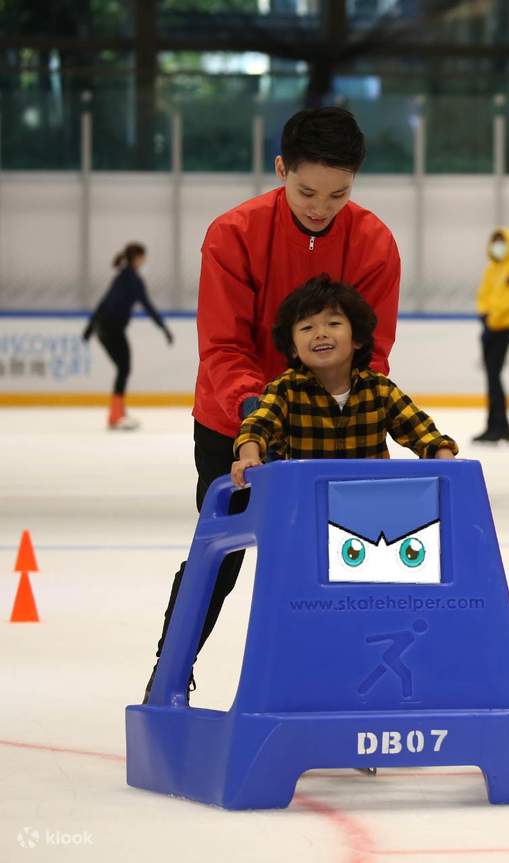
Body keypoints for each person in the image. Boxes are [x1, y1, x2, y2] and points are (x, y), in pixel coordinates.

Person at [144, 106, 401, 703]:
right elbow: (224, 346)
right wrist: (260, 415)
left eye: (338, 194)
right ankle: (168, 673)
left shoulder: (374, 244)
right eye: (307, 190)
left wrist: (342, 409)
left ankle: (353, 691)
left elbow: (373, 351)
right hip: (233, 423)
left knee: (350, 564)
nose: (320, 206)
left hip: (336, 432)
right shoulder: (234, 234)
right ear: (281, 167)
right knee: (221, 559)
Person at [231, 276, 456, 488]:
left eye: (333, 323)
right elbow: (257, 426)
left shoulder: (379, 390)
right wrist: (249, 458)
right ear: (292, 347)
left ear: (356, 338)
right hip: (306, 506)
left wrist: (443, 457)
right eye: (307, 327)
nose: (320, 333)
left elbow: (422, 432)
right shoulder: (285, 390)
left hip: (372, 507)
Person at [82, 242, 173, 431]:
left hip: (105, 327)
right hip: (111, 328)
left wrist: (91, 326)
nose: (144, 261)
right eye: (143, 257)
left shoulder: (122, 277)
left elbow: (104, 301)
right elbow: (147, 306)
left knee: (123, 367)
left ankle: (118, 412)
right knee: (124, 367)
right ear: (137, 258)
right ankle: (115, 415)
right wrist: (163, 327)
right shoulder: (132, 280)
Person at [471, 228, 509, 444]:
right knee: (491, 377)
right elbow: (483, 294)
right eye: (495, 242)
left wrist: (494, 317)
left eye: (502, 242)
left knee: (494, 375)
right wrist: (484, 314)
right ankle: (495, 425)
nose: (498, 246)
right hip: (489, 326)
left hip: (503, 327)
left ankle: (500, 426)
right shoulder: (491, 268)